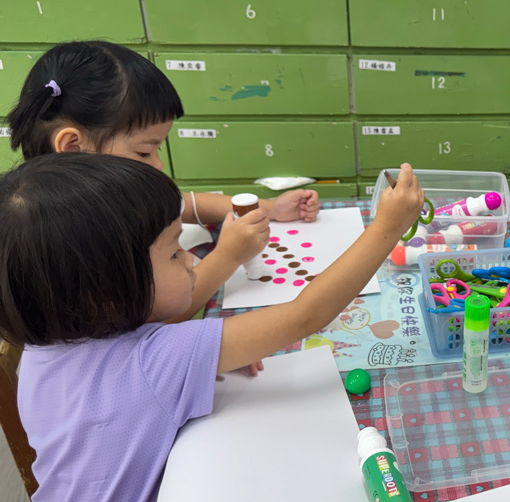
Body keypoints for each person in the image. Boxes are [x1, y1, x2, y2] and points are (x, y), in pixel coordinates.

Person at [0, 155, 423, 502]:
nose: (192, 262)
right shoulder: (157, 359)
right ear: (104, 293)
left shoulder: (43, 352)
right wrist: (386, 228)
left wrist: (203, 359)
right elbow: (305, 315)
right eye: (174, 254)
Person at [5, 41, 321, 320]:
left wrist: (269, 207)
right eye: (144, 152)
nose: (158, 165)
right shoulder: (80, 239)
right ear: (73, 147)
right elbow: (165, 317)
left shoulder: (109, 194)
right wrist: (229, 255)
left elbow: (187, 204)